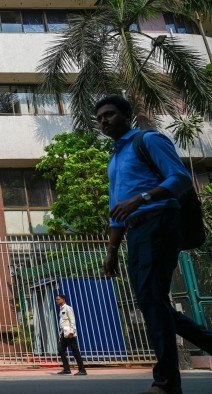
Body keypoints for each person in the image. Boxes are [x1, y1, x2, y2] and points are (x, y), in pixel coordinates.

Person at [97, 95, 212, 394]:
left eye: (109, 115)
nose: (103, 121)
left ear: (126, 115)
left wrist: (142, 198)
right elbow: (116, 210)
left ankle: (166, 382)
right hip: (136, 231)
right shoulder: (114, 158)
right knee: (151, 302)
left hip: (160, 220)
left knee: (151, 298)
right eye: (99, 118)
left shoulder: (148, 140)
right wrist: (111, 252)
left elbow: (180, 178)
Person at [55, 294, 86, 376]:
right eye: (56, 299)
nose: (57, 301)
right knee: (61, 349)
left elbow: (72, 320)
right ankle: (66, 369)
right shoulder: (61, 309)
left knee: (75, 351)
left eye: (58, 299)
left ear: (63, 300)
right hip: (63, 333)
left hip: (69, 333)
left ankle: (82, 370)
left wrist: (72, 332)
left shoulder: (68, 308)